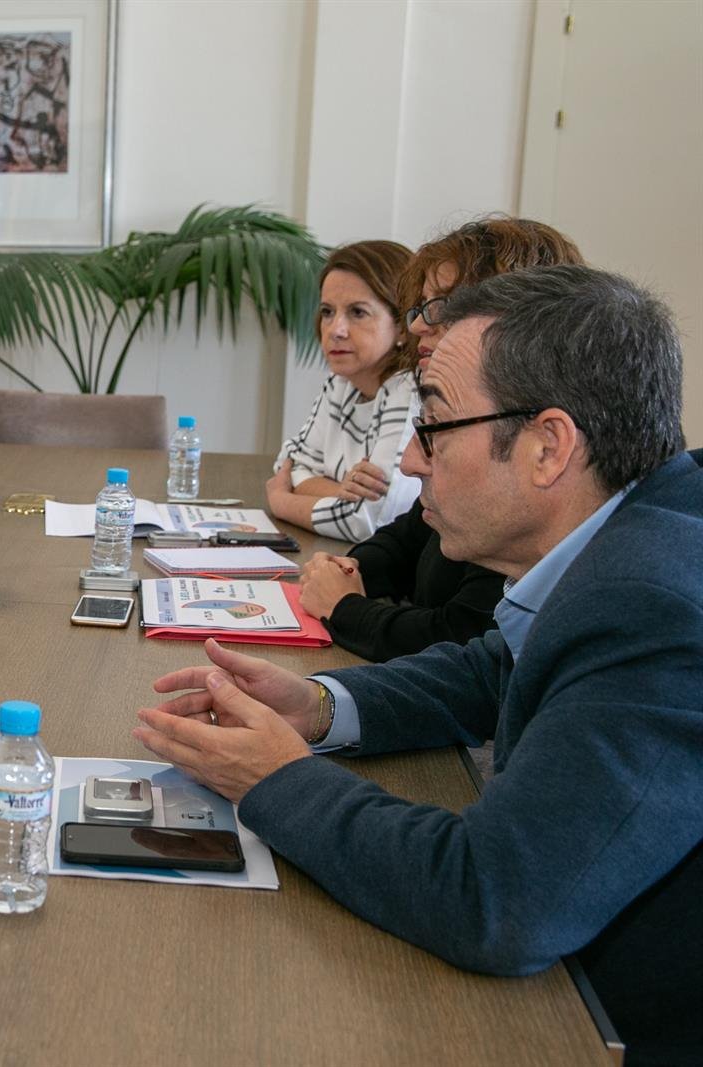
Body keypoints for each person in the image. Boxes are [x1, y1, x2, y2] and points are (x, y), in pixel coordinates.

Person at [133, 265, 701, 1065]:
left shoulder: (658, 604)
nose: (407, 460)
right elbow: (493, 669)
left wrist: (275, 777)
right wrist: (318, 706)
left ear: (548, 446)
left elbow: (497, 899)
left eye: (432, 425)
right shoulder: (634, 534)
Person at [297, 218, 584, 660]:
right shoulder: (471, 414)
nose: (416, 327)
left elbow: (467, 641)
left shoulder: (524, 446)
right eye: (422, 306)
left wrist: (344, 606)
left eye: (442, 307)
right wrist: (344, 569)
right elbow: (406, 536)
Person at [267, 240, 421, 542]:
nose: (336, 329)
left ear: (402, 327)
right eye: (327, 311)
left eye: (358, 313)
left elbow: (367, 521)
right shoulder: (342, 384)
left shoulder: (408, 392)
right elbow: (289, 464)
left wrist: (282, 502)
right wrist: (340, 491)